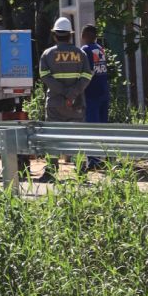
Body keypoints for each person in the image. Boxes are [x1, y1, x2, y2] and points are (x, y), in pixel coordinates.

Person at [37, 16, 92, 180]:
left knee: (52, 136)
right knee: (78, 136)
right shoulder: (80, 54)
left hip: (55, 103)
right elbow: (87, 76)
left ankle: (51, 171)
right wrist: (72, 94)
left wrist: (62, 93)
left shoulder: (47, 54)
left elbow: (45, 77)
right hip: (76, 104)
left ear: (55, 35)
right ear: (70, 35)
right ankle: (81, 170)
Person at [81, 24, 110, 170]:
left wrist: (79, 89)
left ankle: (93, 159)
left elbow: (88, 72)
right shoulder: (100, 49)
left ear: (84, 36)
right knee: (103, 125)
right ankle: (106, 156)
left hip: (92, 93)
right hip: (104, 91)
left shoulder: (85, 50)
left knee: (92, 126)